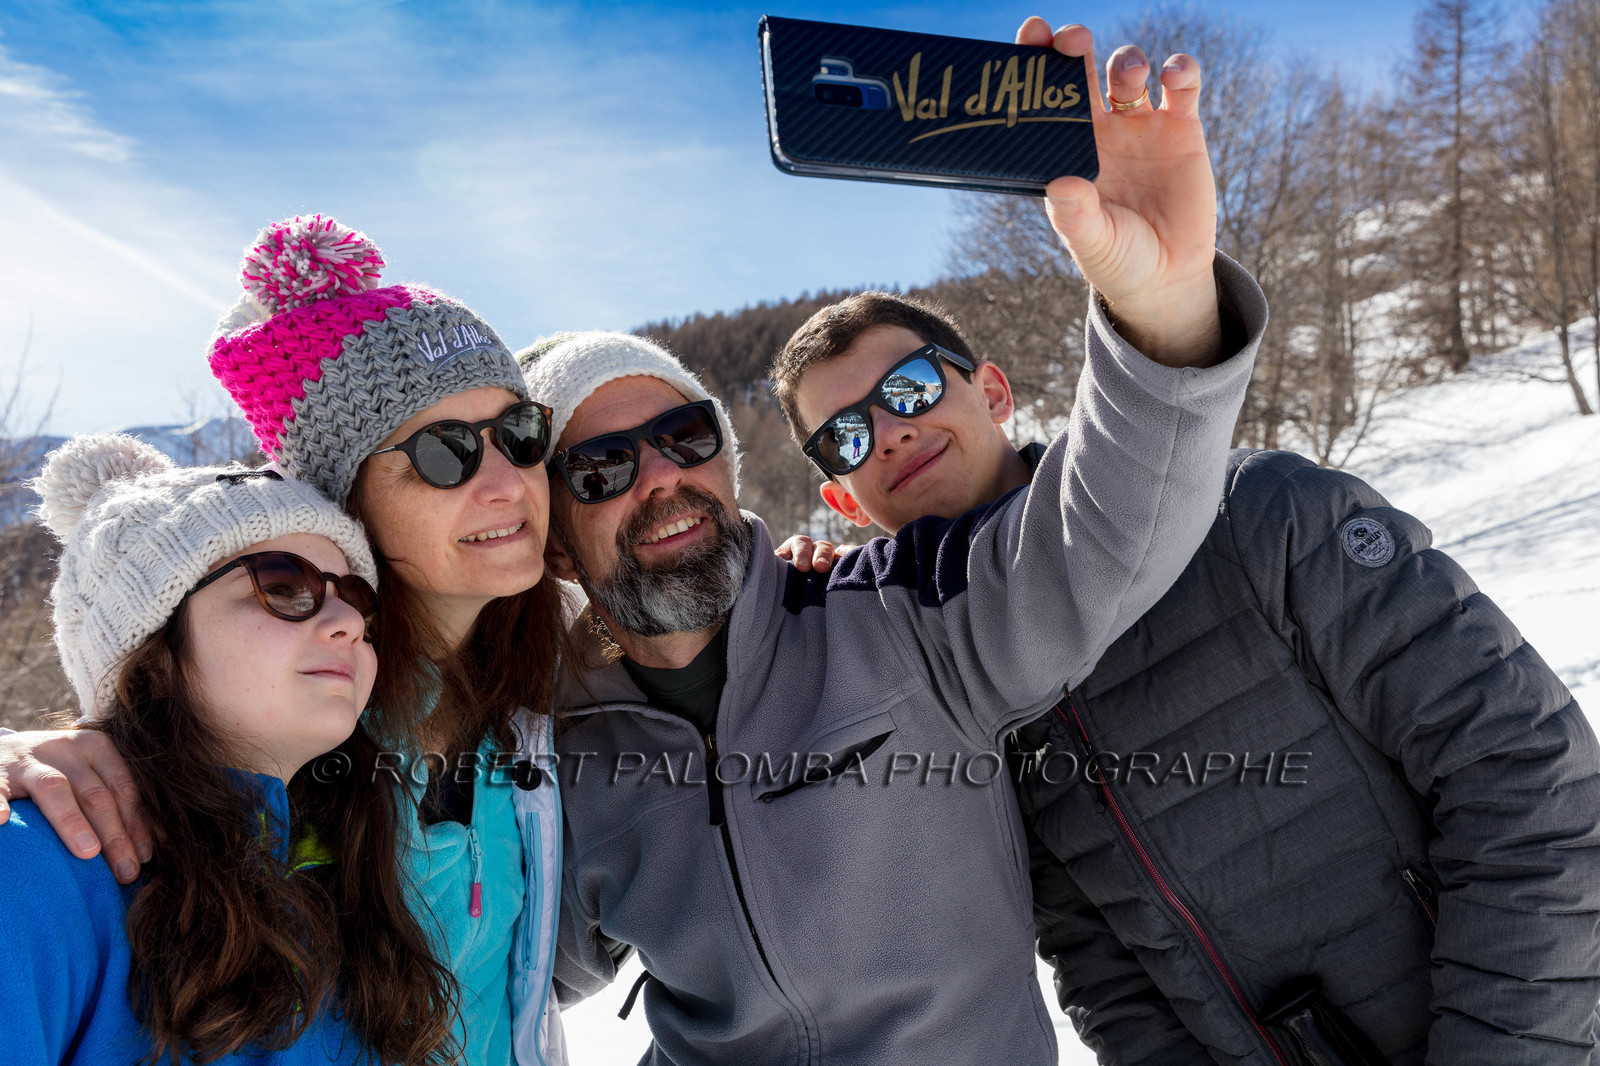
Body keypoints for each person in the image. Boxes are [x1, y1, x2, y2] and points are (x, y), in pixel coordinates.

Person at [519, 19, 1266, 1063]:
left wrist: (1162, 309)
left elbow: (1106, 532)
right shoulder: (558, 746)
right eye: (599, 470)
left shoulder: (898, 617)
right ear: (555, 544)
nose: (659, 478)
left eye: (683, 435)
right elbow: (490, 961)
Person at [770, 283, 1600, 1059]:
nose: (888, 432)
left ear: (991, 392)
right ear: (844, 499)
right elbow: (1101, 968)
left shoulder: (1258, 514)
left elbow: (1534, 785)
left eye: (909, 389)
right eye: (844, 436)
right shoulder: (948, 691)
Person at [0, 216, 571, 1066]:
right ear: (345, 502)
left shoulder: (560, 670)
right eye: (444, 454)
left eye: (520, 434)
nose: (505, 481)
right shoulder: (290, 731)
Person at [1, 434, 456, 1064]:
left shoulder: (344, 876)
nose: (348, 623)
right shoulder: (35, 863)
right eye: (282, 584)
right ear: (152, 657)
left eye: (356, 598)